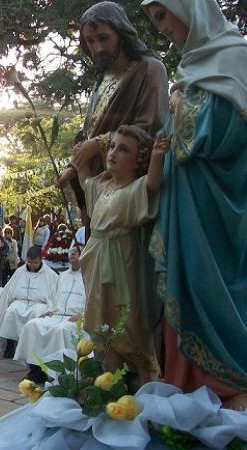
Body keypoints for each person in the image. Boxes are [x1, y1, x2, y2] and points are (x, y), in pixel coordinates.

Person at [142, 0, 247, 407]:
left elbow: (230, 128)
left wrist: (183, 109)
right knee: (185, 285)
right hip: (185, 203)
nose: (162, 27)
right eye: (155, 20)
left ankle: (232, 383)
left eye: (164, 15)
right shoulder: (190, 68)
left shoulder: (235, 56)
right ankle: (187, 384)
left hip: (218, 205)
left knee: (215, 287)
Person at [55, 1, 169, 230]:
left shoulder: (150, 69)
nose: (97, 48)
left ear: (121, 33)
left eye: (103, 38)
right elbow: (90, 131)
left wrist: (99, 144)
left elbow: (151, 125)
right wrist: (73, 167)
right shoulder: (102, 79)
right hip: (98, 188)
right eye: (90, 41)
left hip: (129, 191)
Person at [74, 125, 167, 384]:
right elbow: (84, 183)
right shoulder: (104, 187)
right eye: (112, 146)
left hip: (122, 263)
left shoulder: (134, 188)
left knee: (128, 322)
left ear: (139, 160)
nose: (113, 153)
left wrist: (158, 157)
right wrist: (79, 159)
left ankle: (150, 380)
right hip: (97, 260)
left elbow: (153, 184)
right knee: (103, 326)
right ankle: (108, 387)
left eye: (123, 149)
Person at [14, 247, 87, 383]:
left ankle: (60, 374)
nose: (72, 252)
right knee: (33, 325)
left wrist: (83, 315)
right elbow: (53, 297)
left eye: (77, 251)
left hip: (75, 318)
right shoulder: (63, 276)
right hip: (57, 315)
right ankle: (36, 371)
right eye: (71, 250)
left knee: (61, 330)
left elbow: (95, 302)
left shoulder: (89, 277)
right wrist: (50, 310)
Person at [0, 246, 59, 358]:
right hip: (20, 301)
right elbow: (9, 289)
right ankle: (10, 346)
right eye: (29, 262)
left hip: (39, 304)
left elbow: (55, 295)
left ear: (41, 260)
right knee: (11, 311)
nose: (32, 265)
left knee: (36, 315)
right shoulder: (20, 271)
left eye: (35, 263)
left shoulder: (50, 275)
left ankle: (32, 347)